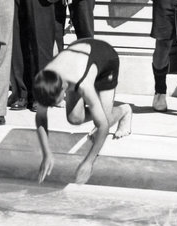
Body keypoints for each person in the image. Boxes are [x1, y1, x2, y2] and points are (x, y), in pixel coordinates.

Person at [33, 38, 132, 184]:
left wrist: (88, 162)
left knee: (104, 119)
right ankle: (104, 110)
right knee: (74, 118)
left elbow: (103, 126)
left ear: (62, 89)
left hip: (106, 59)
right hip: (78, 57)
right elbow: (40, 118)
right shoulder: (46, 81)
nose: (52, 107)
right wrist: (46, 153)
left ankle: (124, 110)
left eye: (54, 103)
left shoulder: (83, 84)